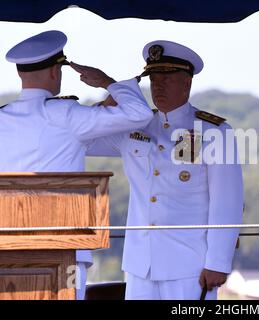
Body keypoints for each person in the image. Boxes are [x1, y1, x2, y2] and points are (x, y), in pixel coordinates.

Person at [0, 30, 153, 299]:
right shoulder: (67, 114)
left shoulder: (4, 117)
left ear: (21, 74)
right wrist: (108, 82)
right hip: (64, 247)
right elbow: (139, 114)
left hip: (7, 246)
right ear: (54, 72)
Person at [86, 40, 244, 300]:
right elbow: (85, 140)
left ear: (187, 83)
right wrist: (113, 97)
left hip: (189, 265)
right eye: (153, 79)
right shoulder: (135, 127)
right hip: (140, 264)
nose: (157, 85)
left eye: (166, 78)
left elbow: (227, 202)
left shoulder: (213, 132)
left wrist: (218, 261)